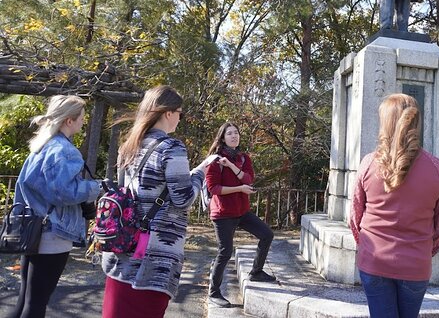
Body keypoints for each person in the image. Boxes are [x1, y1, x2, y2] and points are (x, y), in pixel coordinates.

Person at [100, 85, 216, 318]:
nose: (180, 119)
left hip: (123, 248)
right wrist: (201, 171)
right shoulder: (172, 147)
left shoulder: (130, 145)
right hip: (154, 256)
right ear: (168, 113)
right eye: (180, 113)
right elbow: (183, 199)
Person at [349, 94, 439, 318]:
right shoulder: (437, 169)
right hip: (416, 265)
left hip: (374, 262)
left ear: (384, 122)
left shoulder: (368, 164)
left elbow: (354, 219)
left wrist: (369, 246)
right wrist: (421, 251)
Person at [10, 95, 101, 318]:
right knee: (36, 304)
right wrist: (96, 188)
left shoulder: (41, 145)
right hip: (54, 232)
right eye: (81, 117)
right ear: (69, 120)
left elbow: (23, 187)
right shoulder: (64, 150)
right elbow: (65, 192)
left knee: (26, 300)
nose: (84, 121)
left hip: (31, 229)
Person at [205, 122, 275, 308]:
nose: (234, 136)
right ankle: (214, 292)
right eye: (230, 133)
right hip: (223, 214)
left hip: (242, 211)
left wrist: (233, 167)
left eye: (236, 133)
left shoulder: (243, 158)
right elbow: (214, 188)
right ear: (222, 137)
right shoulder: (214, 160)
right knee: (225, 252)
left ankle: (256, 272)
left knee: (267, 234)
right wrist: (239, 188)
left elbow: (249, 179)